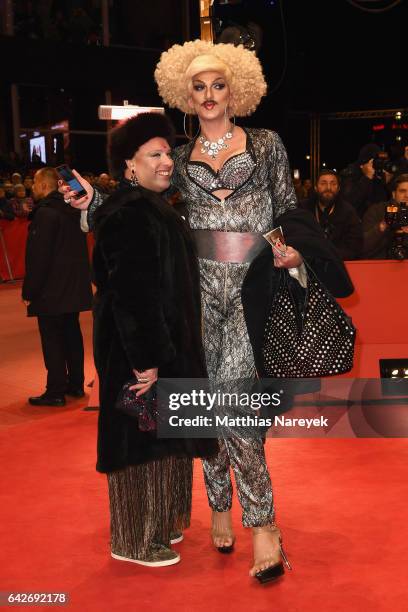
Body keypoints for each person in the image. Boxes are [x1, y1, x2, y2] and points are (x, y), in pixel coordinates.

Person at [65, 41, 353, 583]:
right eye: (198, 87)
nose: (209, 95)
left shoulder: (266, 144)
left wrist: (292, 253)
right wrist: (91, 208)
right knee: (204, 405)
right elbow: (141, 210)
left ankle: (264, 524)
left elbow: (288, 208)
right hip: (195, 299)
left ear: (236, 89)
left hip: (252, 292)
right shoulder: (176, 152)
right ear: (185, 94)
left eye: (218, 85)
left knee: (239, 411)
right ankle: (218, 502)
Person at [89, 112, 216, 567]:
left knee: (170, 439)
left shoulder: (156, 207)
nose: (166, 161)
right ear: (129, 165)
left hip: (167, 346)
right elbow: (132, 293)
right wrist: (145, 359)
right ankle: (133, 539)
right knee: (139, 447)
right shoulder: (129, 214)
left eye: (167, 153)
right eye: (154, 154)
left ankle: (161, 523)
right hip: (138, 352)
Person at [22, 167, 92, 406]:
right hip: (72, 288)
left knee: (52, 339)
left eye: (34, 183)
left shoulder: (46, 214)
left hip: (51, 290)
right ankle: (75, 384)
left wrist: (29, 291)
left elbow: (38, 258)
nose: (32, 187)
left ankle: (55, 391)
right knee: (72, 335)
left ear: (43, 186)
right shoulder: (72, 211)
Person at [299, 169, 362, 260]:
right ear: (316, 187)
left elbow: (355, 246)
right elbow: (298, 239)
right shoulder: (303, 209)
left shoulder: (348, 212)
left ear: (338, 188)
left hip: (339, 263)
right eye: (323, 183)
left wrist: (330, 255)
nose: (328, 187)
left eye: (333, 184)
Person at [362, 173, 408, 259]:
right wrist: (382, 226)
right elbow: (362, 246)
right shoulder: (377, 210)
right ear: (394, 194)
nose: (407, 196)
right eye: (402, 191)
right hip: (379, 265)